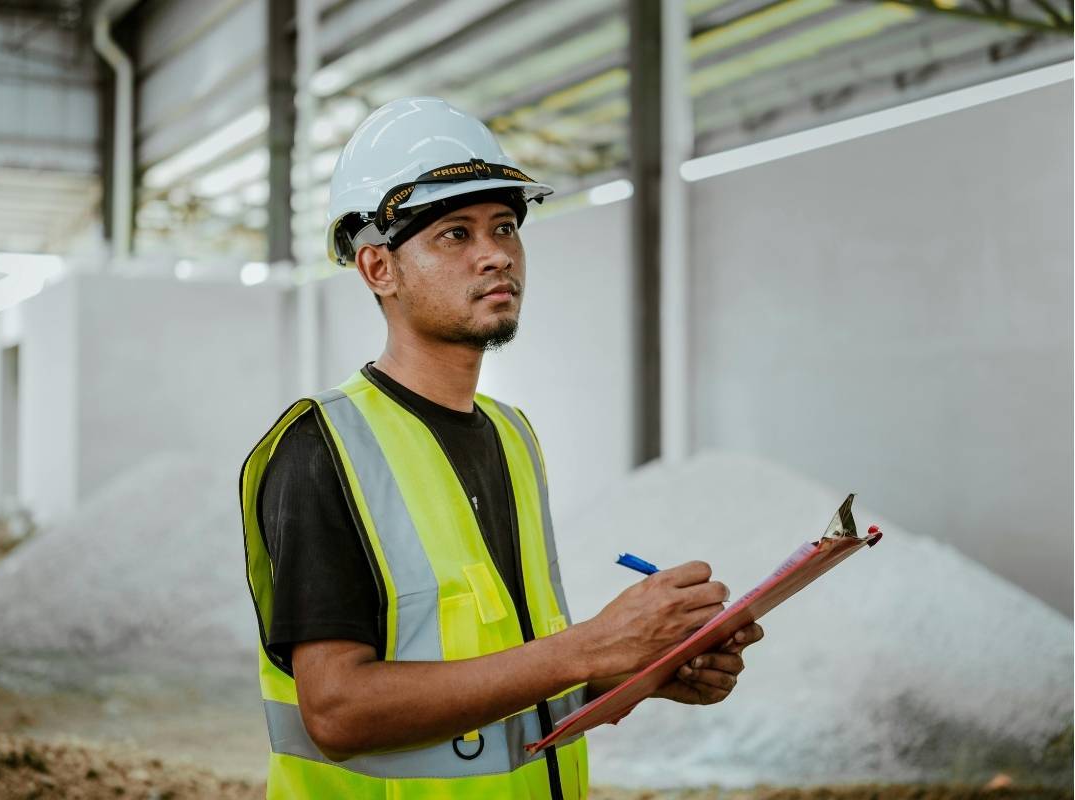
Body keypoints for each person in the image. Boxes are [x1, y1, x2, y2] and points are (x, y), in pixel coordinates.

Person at [239, 96, 764, 800]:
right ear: (377, 269)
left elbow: (506, 681)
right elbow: (336, 711)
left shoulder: (512, 436)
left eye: (505, 227)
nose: (496, 254)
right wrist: (590, 645)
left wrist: (641, 670)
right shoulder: (320, 449)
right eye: (454, 234)